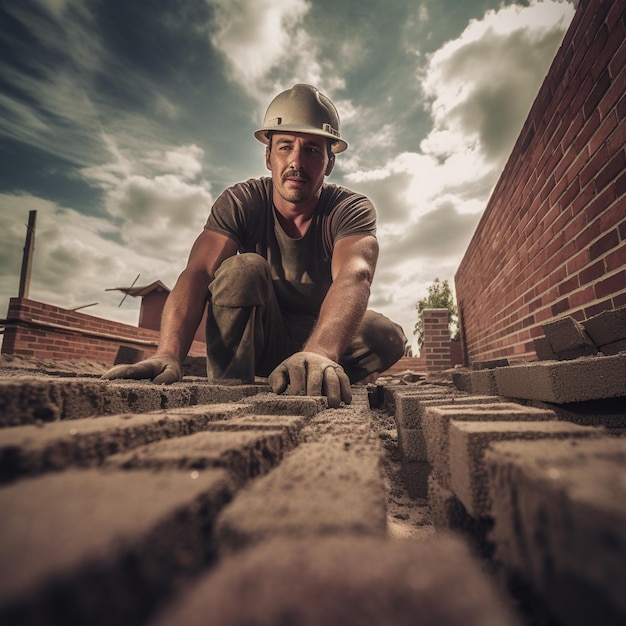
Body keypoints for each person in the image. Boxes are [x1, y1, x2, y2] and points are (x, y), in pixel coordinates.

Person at [103, 84, 406, 407]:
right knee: (242, 268)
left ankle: (316, 374)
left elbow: (354, 276)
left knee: (387, 335)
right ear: (268, 156)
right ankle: (229, 387)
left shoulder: (349, 209)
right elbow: (198, 272)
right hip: (256, 339)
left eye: (312, 150)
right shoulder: (241, 201)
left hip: (319, 337)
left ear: (329, 163)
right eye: (286, 147)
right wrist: (168, 353)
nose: (297, 162)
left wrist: (319, 353)